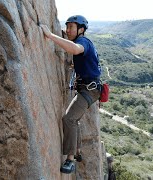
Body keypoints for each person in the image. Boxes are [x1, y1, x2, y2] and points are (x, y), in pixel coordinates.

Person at [40, 15, 101, 174]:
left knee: (69, 119)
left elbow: (75, 49)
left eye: (71, 27)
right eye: (66, 27)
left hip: (89, 89)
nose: (67, 30)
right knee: (75, 119)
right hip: (88, 88)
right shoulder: (83, 41)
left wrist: (50, 36)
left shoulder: (83, 42)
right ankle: (78, 150)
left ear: (81, 30)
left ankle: (70, 159)